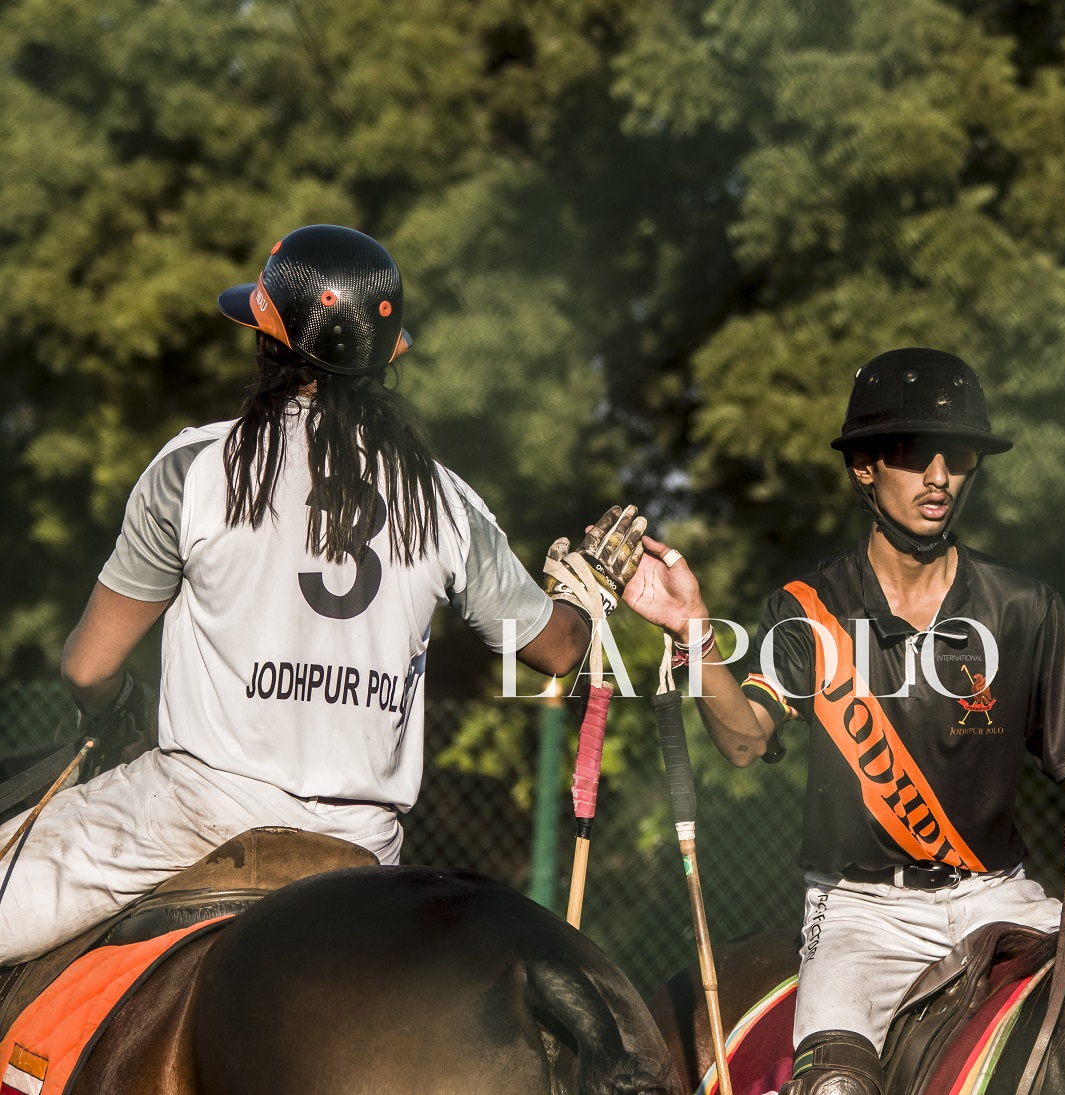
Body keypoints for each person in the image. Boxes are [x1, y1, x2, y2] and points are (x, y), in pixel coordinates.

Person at [0, 225, 640, 965]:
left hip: (196, 815)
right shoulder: (446, 501)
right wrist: (588, 588)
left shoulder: (196, 466)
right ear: (385, 358)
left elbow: (88, 666)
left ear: (268, 340)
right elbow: (559, 649)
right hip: (362, 847)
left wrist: (110, 708)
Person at [624, 348, 1065, 1095]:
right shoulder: (807, 607)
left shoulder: (1025, 607)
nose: (938, 477)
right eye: (913, 454)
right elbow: (743, 738)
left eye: (958, 457)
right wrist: (694, 631)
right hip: (863, 911)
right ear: (864, 465)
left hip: (1001, 894)